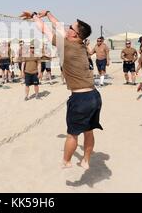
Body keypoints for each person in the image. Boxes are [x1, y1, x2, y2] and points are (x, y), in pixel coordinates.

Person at [22, 10, 102, 170]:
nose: (66, 28)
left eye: (70, 28)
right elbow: (58, 27)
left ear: (75, 35)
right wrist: (49, 13)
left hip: (80, 98)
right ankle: (86, 160)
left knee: (72, 134)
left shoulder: (66, 45)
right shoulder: (80, 45)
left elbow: (45, 29)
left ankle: (66, 161)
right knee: (88, 130)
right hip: (94, 96)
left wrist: (34, 16)